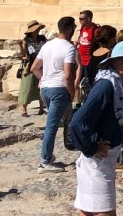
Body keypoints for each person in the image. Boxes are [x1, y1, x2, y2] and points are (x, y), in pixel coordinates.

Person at [70, 40, 123, 216]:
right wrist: (91, 148)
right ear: (114, 61)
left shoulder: (118, 82)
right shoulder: (106, 85)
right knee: (105, 211)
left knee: (88, 210)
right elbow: (77, 121)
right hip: (98, 160)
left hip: (102, 159)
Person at [32, 15, 78, 171]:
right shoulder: (69, 47)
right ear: (70, 29)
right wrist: (72, 92)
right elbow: (68, 74)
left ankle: (49, 155)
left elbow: (34, 68)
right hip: (59, 89)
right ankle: (45, 161)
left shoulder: (47, 45)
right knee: (52, 126)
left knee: (55, 123)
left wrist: (43, 79)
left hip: (45, 89)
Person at [17, 20, 46, 118]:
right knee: (27, 86)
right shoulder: (26, 40)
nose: (38, 30)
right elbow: (23, 54)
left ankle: (41, 108)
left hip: (42, 65)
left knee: (41, 86)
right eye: (36, 29)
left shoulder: (42, 38)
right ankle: (23, 108)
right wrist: (20, 45)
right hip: (30, 65)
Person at [76, 9, 97, 104]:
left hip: (89, 61)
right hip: (80, 61)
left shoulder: (95, 30)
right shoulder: (82, 28)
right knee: (77, 82)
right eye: (79, 19)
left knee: (87, 84)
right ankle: (78, 103)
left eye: (82, 19)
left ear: (89, 19)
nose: (80, 21)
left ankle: (87, 102)